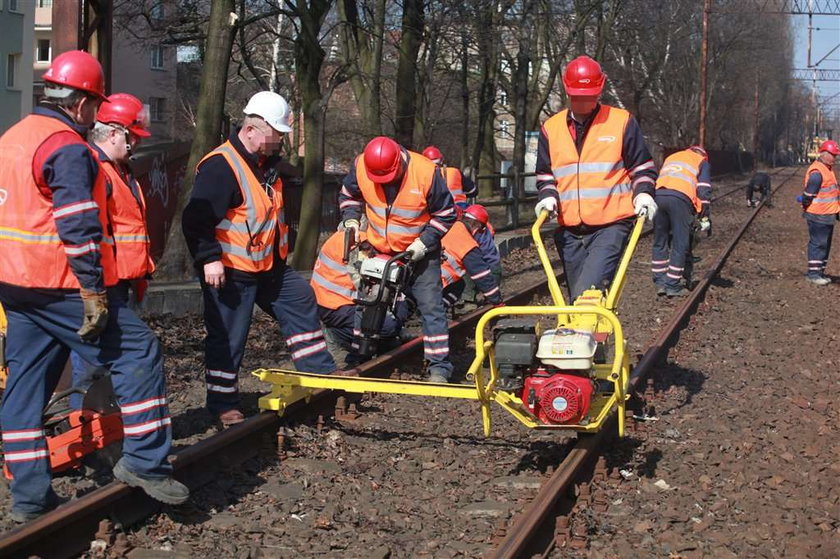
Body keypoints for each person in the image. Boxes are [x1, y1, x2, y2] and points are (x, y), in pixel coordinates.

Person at [0, 51, 187, 523]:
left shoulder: (12, 138)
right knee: (138, 351)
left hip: (15, 285)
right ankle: (145, 461)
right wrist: (92, 291)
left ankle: (29, 497)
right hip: (58, 281)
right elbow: (77, 225)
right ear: (82, 102)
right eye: (93, 105)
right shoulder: (65, 146)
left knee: (25, 386)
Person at [182, 91, 338, 428]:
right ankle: (223, 403)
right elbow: (195, 219)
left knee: (299, 298)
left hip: (267, 267)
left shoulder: (266, 167)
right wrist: (209, 259)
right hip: (230, 272)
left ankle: (320, 374)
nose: (280, 140)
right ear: (253, 128)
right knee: (227, 336)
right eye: (277, 133)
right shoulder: (221, 166)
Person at [534, 55, 658, 302]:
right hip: (569, 229)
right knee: (578, 300)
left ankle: (581, 338)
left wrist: (644, 192)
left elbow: (642, 167)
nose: (583, 101)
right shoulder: (551, 128)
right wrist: (548, 196)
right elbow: (545, 174)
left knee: (585, 297)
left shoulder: (621, 122)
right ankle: (594, 340)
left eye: (589, 96)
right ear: (567, 91)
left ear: (600, 90)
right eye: (578, 96)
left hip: (611, 225)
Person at [339, 136, 456, 383]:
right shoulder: (360, 166)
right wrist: (351, 218)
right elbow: (348, 195)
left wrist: (424, 243)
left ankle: (439, 367)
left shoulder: (425, 172)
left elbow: (446, 214)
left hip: (420, 250)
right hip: (380, 247)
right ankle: (359, 355)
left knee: (430, 306)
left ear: (399, 163)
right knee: (369, 302)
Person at [69, 93, 155, 409]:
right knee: (93, 362)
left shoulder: (120, 171)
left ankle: (105, 422)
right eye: (134, 137)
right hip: (102, 284)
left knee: (109, 360)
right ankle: (84, 425)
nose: (138, 143)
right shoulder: (97, 171)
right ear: (116, 133)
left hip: (120, 282)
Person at [310, 230, 410, 363]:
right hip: (334, 304)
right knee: (388, 326)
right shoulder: (356, 242)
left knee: (396, 311)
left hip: (335, 300)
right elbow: (363, 284)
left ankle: (379, 342)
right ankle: (338, 337)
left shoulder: (356, 235)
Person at [651, 146, 712, 297]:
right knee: (681, 242)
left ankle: (660, 281)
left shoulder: (672, 157)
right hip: (680, 199)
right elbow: (703, 188)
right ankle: (672, 284)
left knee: (660, 239)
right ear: (703, 155)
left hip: (658, 195)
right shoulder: (702, 161)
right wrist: (704, 211)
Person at [440, 208, 503, 308]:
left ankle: (438, 308)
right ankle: (436, 311)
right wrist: (497, 301)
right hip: (436, 282)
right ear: (476, 224)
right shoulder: (468, 244)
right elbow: (481, 275)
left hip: (421, 277)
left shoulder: (451, 226)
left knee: (459, 284)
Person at [800, 140, 840, 285]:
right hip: (818, 215)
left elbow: (833, 193)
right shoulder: (817, 172)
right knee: (818, 244)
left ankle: (819, 272)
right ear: (824, 154)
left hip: (827, 215)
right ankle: (813, 274)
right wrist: (805, 203)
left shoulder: (827, 169)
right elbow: (808, 195)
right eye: (833, 155)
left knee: (825, 245)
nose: (834, 158)